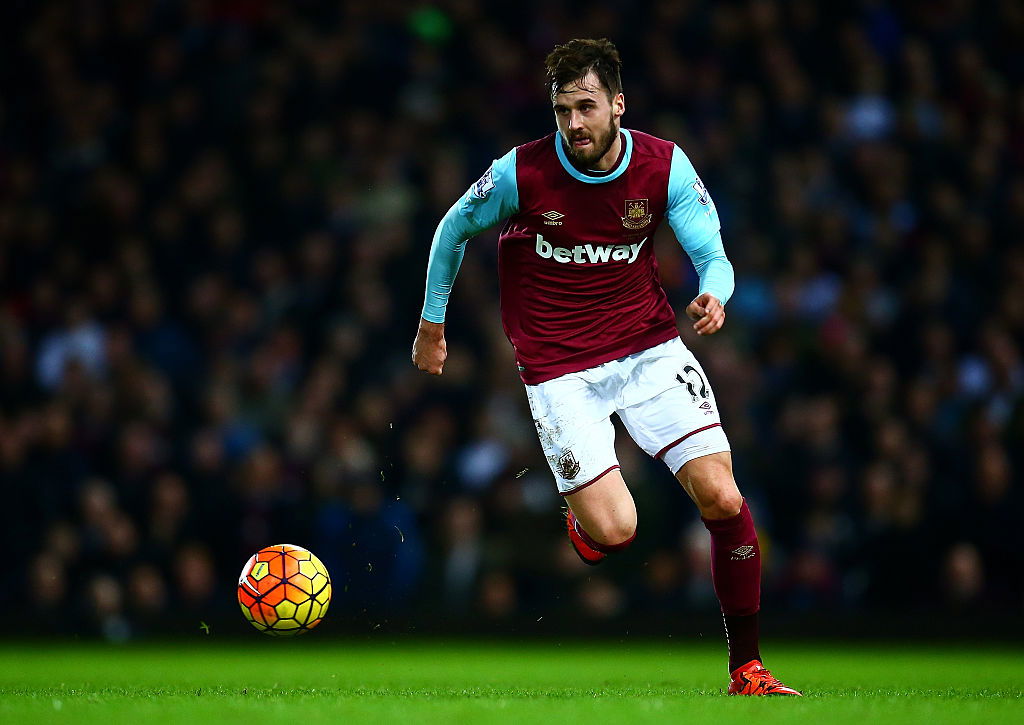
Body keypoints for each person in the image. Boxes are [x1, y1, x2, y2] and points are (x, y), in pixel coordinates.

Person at [412, 38, 800, 696]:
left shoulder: (664, 167)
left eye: (586, 106)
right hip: (559, 370)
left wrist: (715, 295)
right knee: (616, 531)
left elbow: (715, 257)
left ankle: (747, 667)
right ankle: (584, 519)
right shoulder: (521, 174)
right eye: (562, 110)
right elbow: (453, 228)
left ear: (619, 104)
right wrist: (431, 323)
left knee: (723, 497)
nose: (573, 123)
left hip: (648, 349)